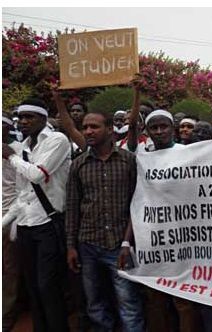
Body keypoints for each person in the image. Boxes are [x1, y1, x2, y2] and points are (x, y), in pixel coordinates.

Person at [65, 109, 145, 332]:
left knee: (129, 304)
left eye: (94, 126)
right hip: (87, 244)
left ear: (110, 130)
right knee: (95, 305)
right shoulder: (78, 164)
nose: (88, 131)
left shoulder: (129, 161)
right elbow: (72, 207)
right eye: (85, 127)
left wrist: (127, 243)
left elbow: (137, 204)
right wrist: (71, 246)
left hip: (120, 245)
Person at [2, 98, 71, 332]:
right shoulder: (22, 149)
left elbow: (37, 175)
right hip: (25, 224)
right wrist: (4, 222)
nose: (23, 122)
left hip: (48, 223)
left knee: (48, 285)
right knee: (33, 286)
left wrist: (9, 156)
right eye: (20, 118)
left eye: (29, 117)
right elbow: (23, 195)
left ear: (43, 118)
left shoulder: (57, 141)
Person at [137, 110, 201, 332]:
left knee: (183, 300)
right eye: (153, 128)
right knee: (155, 299)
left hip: (185, 239)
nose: (159, 131)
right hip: (153, 238)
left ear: (172, 127)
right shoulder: (142, 156)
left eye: (163, 126)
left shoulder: (189, 153)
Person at [2, 113, 24, 331]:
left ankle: (6, 312)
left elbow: (23, 189)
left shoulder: (17, 150)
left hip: (10, 216)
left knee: (9, 268)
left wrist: (12, 220)